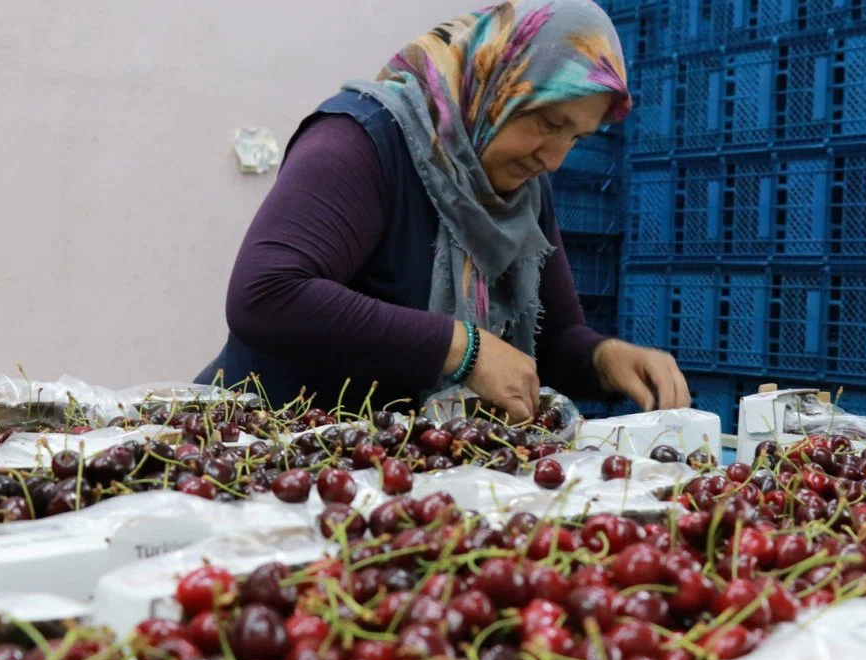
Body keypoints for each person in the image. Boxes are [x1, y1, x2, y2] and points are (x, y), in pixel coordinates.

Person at [197, 0, 690, 421]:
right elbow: (266, 296)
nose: (556, 157)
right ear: (497, 81)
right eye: (547, 121)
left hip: (393, 481)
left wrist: (608, 358)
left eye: (576, 137)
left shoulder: (520, 190)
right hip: (272, 454)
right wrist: (463, 347)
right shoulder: (361, 142)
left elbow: (552, 341)